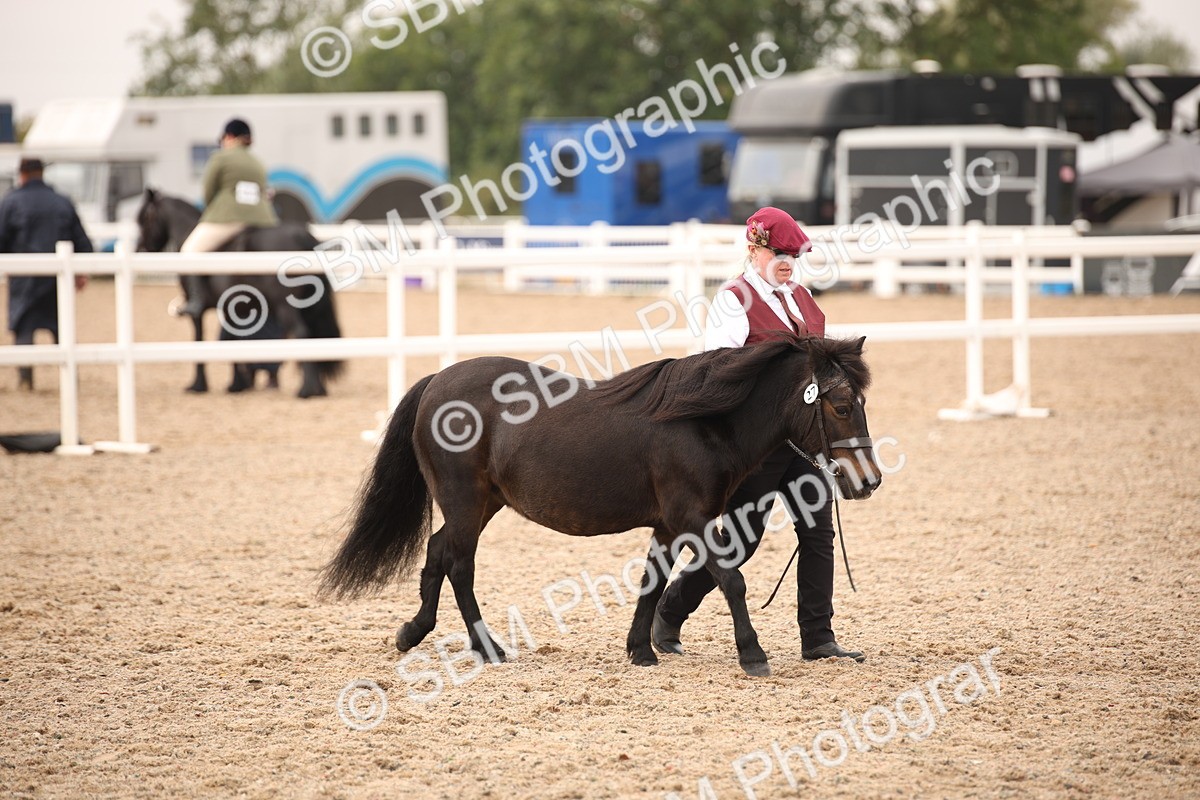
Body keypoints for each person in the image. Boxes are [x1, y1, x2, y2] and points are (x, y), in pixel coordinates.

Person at [652, 206, 865, 662]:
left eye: (794, 253)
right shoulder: (735, 299)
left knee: (817, 532)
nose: (787, 261)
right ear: (754, 249)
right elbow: (717, 371)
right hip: (756, 448)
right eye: (778, 252)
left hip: (804, 443)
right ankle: (669, 611)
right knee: (742, 541)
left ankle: (818, 637)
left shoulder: (804, 298)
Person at [1, 158, 92, 391]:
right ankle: (70, 378)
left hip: (24, 279)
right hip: (56, 279)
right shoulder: (62, 202)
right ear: (41, 173)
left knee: (24, 329)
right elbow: (82, 241)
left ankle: (25, 379)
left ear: (22, 174)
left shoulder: (10, 202)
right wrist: (81, 272)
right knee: (62, 328)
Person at [177, 118, 277, 317]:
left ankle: (196, 300)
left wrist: (213, 209)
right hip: (263, 218)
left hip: (230, 217)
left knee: (189, 251)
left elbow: (208, 192)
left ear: (229, 136)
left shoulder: (221, 158)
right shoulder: (257, 162)